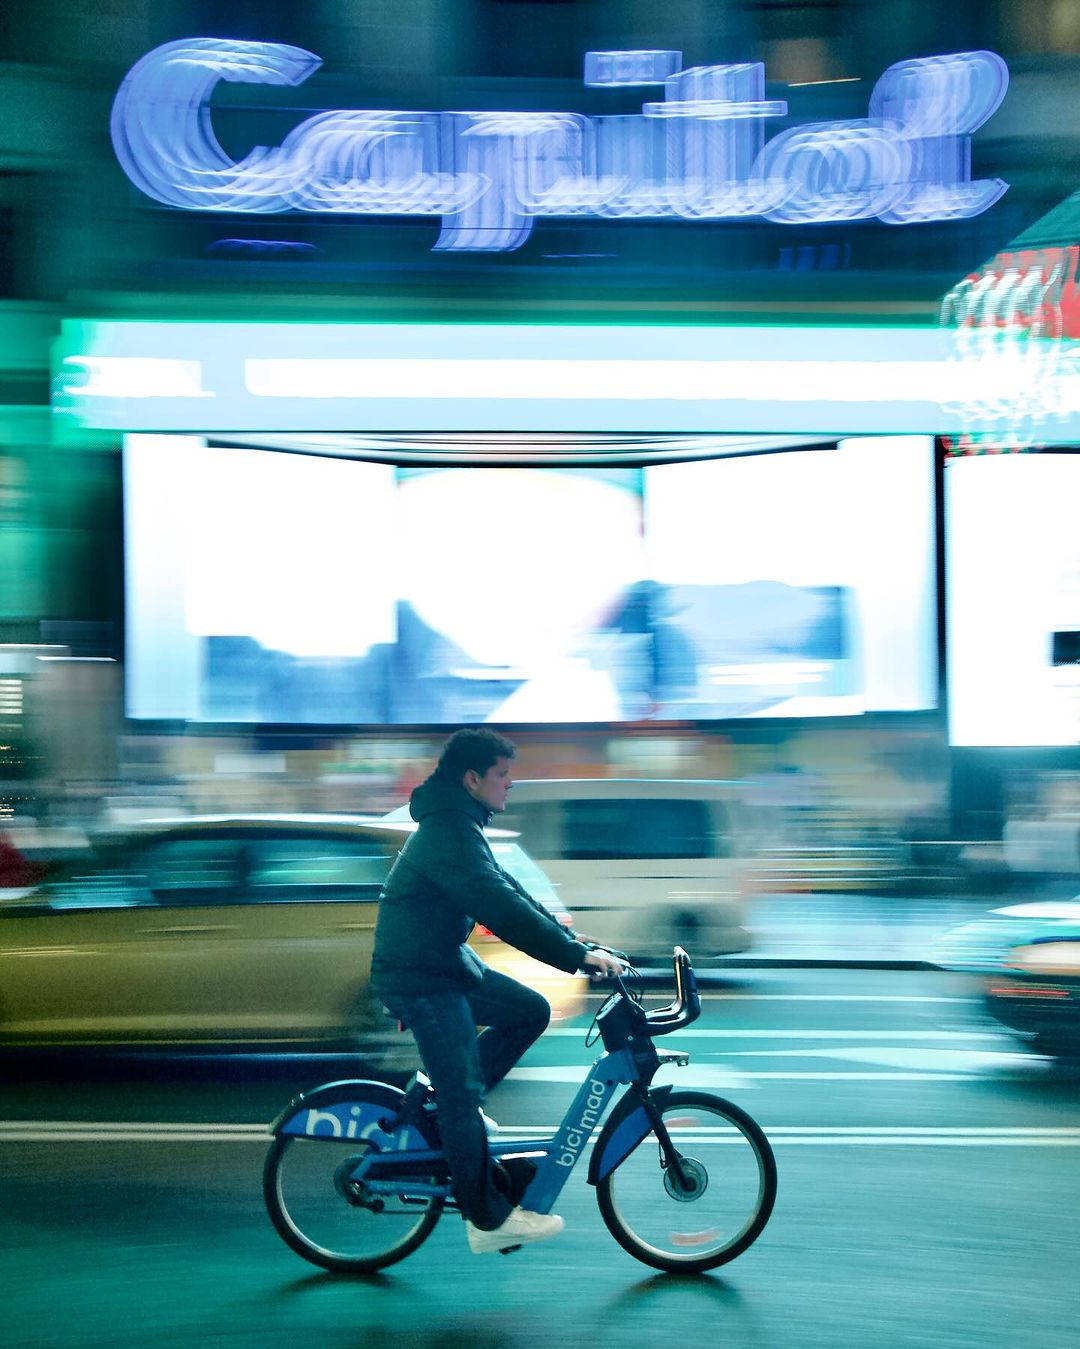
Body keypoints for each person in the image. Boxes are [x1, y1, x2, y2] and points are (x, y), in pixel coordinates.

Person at [370, 727, 627, 1254]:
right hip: (419, 978)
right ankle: (487, 1220)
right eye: (503, 774)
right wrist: (575, 958)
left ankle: (444, 1110)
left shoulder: (459, 825)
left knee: (528, 1010)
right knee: (464, 1095)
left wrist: (576, 944)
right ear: (473, 778)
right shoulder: (447, 832)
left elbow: (510, 892)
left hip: (443, 965)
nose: (510, 784)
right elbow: (500, 908)